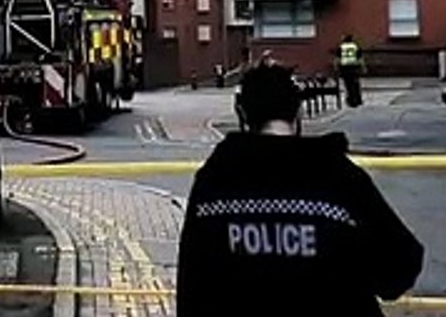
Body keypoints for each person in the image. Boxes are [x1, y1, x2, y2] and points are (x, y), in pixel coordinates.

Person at [176, 61, 423, 316]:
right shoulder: (339, 175)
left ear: (242, 114)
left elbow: (192, 287)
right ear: (298, 112)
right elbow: (399, 268)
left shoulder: (214, 181)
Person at [338, 33, 365, 107]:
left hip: (345, 68)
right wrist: (363, 67)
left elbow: (338, 58)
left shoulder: (341, 47)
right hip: (354, 67)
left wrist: (337, 68)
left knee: (348, 85)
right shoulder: (355, 46)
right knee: (356, 84)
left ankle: (351, 100)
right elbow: (360, 58)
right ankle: (358, 99)